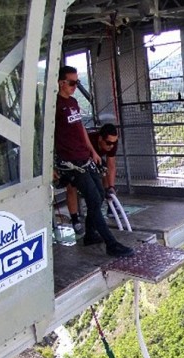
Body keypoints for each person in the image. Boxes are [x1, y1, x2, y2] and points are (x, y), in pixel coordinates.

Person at [54, 66, 133, 257]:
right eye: (72, 83)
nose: (75, 86)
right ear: (61, 83)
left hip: (84, 156)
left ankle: (90, 234)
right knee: (91, 198)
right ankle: (111, 244)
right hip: (71, 161)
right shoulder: (55, 106)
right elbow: (44, 136)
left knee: (98, 195)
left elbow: (80, 127)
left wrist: (92, 152)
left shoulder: (72, 102)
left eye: (77, 83)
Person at [66, 123, 119, 234]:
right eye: (108, 143)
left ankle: (109, 202)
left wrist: (111, 187)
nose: (111, 146)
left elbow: (111, 165)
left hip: (93, 161)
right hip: (77, 160)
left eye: (114, 143)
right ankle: (75, 219)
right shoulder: (87, 141)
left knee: (105, 170)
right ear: (100, 138)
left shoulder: (112, 144)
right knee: (71, 185)